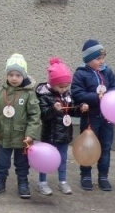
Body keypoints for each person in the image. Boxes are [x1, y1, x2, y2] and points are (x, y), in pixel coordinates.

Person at [0, 54, 41, 198]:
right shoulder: (0, 91)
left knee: (22, 162)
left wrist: (30, 134)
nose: (14, 78)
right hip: (3, 135)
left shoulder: (29, 94)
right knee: (1, 161)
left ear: (24, 75)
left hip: (22, 136)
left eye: (18, 75)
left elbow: (34, 116)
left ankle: (23, 182)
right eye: (11, 74)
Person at [71, 39, 115, 191]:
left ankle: (103, 176)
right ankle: (85, 175)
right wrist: (95, 97)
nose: (101, 61)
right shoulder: (80, 74)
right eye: (97, 59)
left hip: (106, 118)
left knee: (105, 147)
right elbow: (77, 93)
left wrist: (110, 96)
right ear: (88, 59)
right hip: (90, 117)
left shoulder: (108, 72)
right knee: (88, 146)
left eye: (102, 58)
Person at [35, 57, 88, 196]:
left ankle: (62, 181)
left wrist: (80, 109)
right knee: (45, 159)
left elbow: (71, 110)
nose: (64, 89)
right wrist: (53, 109)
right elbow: (43, 115)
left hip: (64, 134)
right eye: (61, 86)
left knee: (63, 159)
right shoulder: (44, 96)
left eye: (66, 86)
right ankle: (42, 182)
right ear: (52, 83)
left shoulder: (67, 95)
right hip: (50, 134)